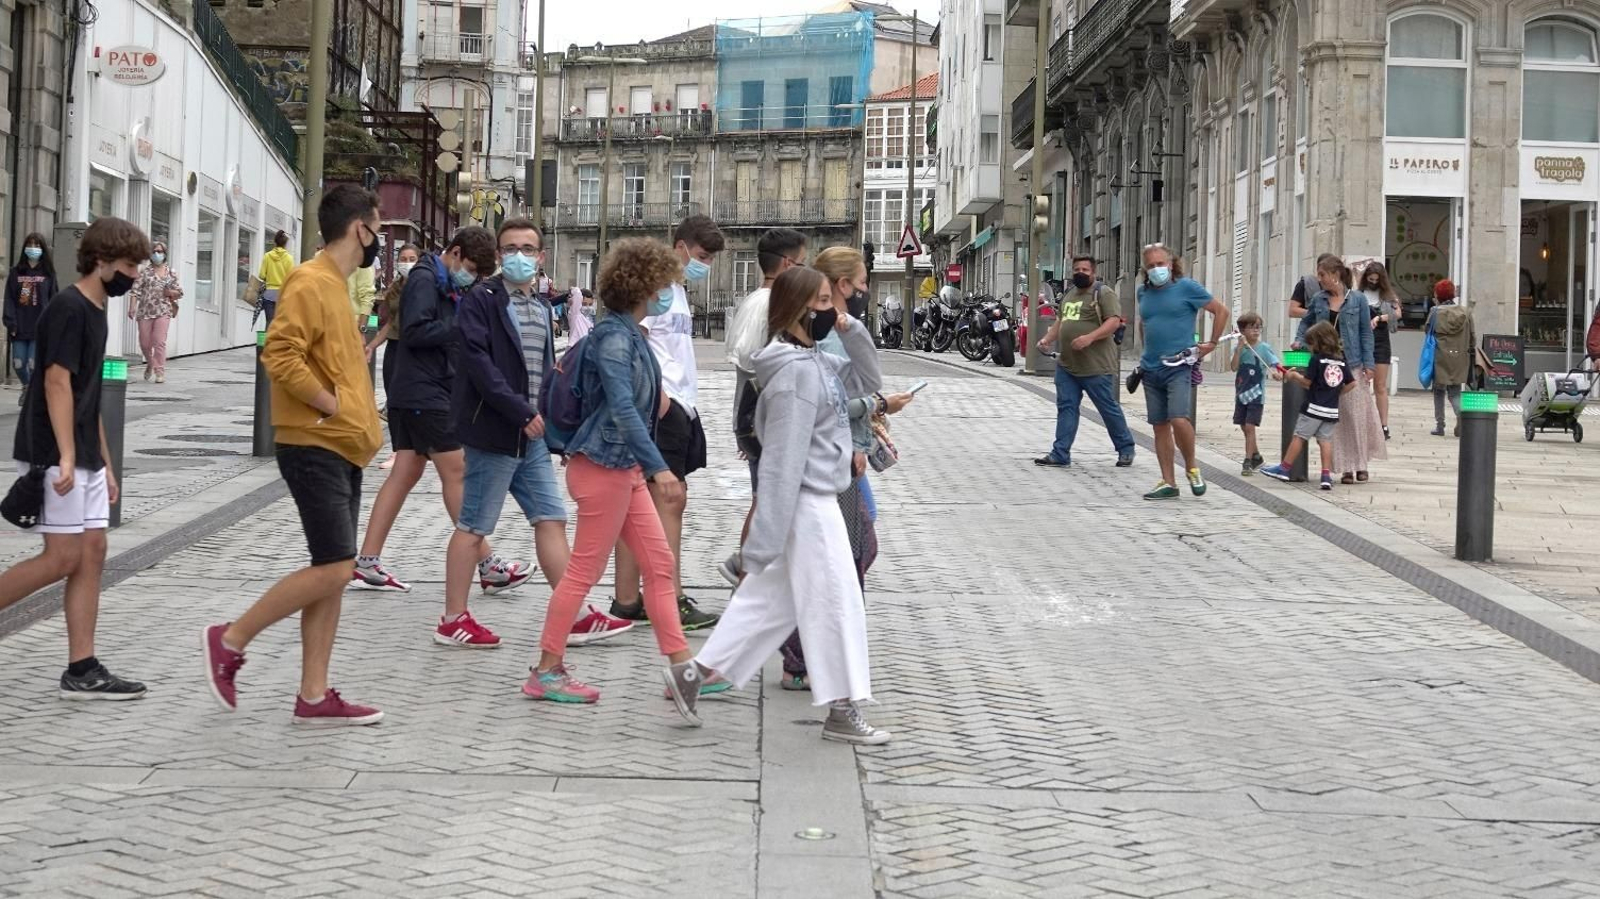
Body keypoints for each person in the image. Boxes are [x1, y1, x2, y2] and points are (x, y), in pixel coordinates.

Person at [202, 184, 387, 725]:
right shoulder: (310, 280)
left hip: (342, 444)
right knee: (336, 568)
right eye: (378, 229)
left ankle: (313, 694)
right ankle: (230, 639)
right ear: (361, 228)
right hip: (314, 443)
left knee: (332, 569)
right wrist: (329, 406)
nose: (379, 241)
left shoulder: (339, 285)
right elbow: (280, 354)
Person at [689, 265, 888, 743]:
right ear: (798, 308)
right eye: (823, 302)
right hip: (809, 504)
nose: (832, 309)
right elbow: (781, 460)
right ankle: (842, 710)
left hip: (813, 499)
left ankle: (690, 676)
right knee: (837, 605)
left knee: (768, 603)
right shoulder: (796, 373)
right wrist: (765, 536)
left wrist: (852, 328)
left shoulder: (812, 358)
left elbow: (868, 381)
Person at [528, 238, 699, 719]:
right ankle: (546, 671)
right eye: (664, 283)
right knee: (584, 571)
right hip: (604, 467)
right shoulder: (617, 338)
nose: (669, 291)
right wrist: (659, 467)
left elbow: (635, 406)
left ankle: (682, 666)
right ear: (645, 284)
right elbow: (623, 410)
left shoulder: (630, 334)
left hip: (618, 468)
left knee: (659, 567)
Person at [446, 218, 627, 649]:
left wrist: (556, 429)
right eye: (510, 248)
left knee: (551, 518)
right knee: (473, 526)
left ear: (541, 256)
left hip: (533, 435)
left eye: (528, 248)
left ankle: (576, 614)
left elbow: (547, 373)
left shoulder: (543, 308)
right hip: (495, 431)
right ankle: (453, 619)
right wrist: (519, 411)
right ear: (498, 255)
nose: (519, 256)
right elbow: (479, 365)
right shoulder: (482, 300)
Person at [0, 218, 149, 699]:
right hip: (52, 450)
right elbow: (56, 382)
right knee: (61, 557)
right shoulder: (68, 308)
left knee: (92, 553)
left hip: (80, 450)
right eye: (129, 264)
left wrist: (104, 463)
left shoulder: (97, 307)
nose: (134, 274)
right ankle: (80, 666)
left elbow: (87, 395)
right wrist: (66, 456)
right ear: (102, 260)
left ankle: (81, 667)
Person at [350, 227, 530, 598]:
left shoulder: (439, 279)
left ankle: (366, 561)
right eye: (472, 269)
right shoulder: (425, 278)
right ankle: (488, 563)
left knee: (405, 471)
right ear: (456, 252)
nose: (473, 278)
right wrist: (461, 326)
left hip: (415, 389)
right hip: (423, 392)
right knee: (457, 470)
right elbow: (415, 332)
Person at [775, 248, 912, 690]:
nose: (866, 290)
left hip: (838, 456)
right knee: (851, 553)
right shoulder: (824, 335)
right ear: (841, 285)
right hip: (834, 461)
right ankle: (809, 657)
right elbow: (840, 399)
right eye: (861, 281)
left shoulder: (838, 328)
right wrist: (872, 414)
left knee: (851, 552)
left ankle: (813, 654)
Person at [609, 214, 725, 631]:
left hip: (680, 403)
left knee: (642, 501)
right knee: (669, 499)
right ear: (680, 247)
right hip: (665, 404)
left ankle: (628, 599)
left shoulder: (676, 291)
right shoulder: (657, 290)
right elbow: (635, 336)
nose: (704, 264)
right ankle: (669, 598)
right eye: (701, 256)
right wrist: (657, 395)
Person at [721, 228, 808, 584]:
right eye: (802, 265)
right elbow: (759, 365)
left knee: (767, 497)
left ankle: (751, 572)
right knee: (767, 500)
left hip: (756, 417)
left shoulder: (754, 300)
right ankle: (746, 574)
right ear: (787, 264)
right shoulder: (771, 304)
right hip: (766, 418)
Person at [1135, 243, 1231, 500]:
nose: (1157, 269)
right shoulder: (1142, 292)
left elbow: (1221, 310)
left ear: (1171, 264)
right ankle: (1168, 481)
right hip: (1151, 367)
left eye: (1161, 264)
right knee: (1159, 425)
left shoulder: (1187, 287)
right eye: (1151, 265)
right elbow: (1145, 322)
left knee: (1179, 418)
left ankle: (1191, 466)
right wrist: (1146, 352)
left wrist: (1210, 344)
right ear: (1145, 268)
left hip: (1179, 365)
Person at [1033, 255, 1136, 468]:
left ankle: (1126, 448)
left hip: (1096, 366)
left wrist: (1089, 338)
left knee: (1107, 408)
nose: (1080, 273)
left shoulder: (1103, 293)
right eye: (1077, 269)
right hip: (1068, 366)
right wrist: (1047, 340)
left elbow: (1114, 322)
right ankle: (1060, 453)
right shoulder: (1070, 295)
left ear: (1094, 272)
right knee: (1066, 407)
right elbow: (1061, 321)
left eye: (1085, 270)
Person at [1296, 256, 1383, 483]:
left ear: (1334, 274)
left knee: (1357, 416)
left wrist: (1369, 364)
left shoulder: (1357, 300)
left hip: (1353, 363)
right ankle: (1346, 467)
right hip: (1328, 365)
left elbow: (1365, 332)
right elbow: (1305, 324)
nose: (1320, 279)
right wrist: (1299, 341)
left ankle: (1361, 464)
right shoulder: (1318, 299)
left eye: (1322, 275)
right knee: (1337, 418)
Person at [1261, 321, 1353, 491]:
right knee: (1325, 441)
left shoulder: (1316, 360)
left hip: (1313, 408)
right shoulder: (1341, 362)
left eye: (1310, 343)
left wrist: (1294, 376)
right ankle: (1326, 476)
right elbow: (1352, 383)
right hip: (1331, 410)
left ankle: (1284, 468)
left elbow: (1307, 382)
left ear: (1319, 342)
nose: (1309, 347)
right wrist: (1336, 392)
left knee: (1299, 436)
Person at [4, 233, 58, 402]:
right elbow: (9, 299)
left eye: (37, 245)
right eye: (30, 244)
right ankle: (27, 387)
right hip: (19, 326)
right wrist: (10, 322)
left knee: (34, 364)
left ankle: (33, 394)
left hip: (40, 326)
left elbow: (54, 300)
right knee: (19, 363)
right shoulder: (16, 273)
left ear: (42, 248)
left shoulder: (48, 273)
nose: (33, 248)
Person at [1229, 312, 1281, 475]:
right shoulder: (1241, 348)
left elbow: (1274, 362)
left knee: (1250, 426)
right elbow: (1234, 367)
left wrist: (1276, 372)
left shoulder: (1263, 348)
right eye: (1251, 327)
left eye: (1258, 327)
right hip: (1241, 393)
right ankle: (1256, 455)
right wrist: (1238, 348)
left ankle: (1248, 460)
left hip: (1256, 395)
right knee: (1244, 426)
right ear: (1242, 330)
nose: (1256, 330)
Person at [1426, 279, 1478, 437]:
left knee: (1438, 391)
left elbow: (1428, 331)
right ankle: (1460, 414)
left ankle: (1440, 426)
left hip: (1440, 356)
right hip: (1459, 357)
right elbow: (1473, 337)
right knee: (1455, 392)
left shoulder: (1435, 311)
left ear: (1438, 295)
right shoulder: (1466, 312)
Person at [128, 240, 182, 384]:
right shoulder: (145, 272)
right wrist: (132, 307)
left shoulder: (171, 272)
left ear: (165, 254)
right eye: (154, 251)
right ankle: (150, 363)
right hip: (145, 311)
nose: (157, 254)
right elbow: (135, 291)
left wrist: (170, 291)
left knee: (159, 341)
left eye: (160, 251)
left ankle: (159, 371)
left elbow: (179, 292)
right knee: (145, 343)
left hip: (163, 310)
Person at [1358, 261, 1401, 439]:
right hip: (1361, 341)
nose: (1373, 282)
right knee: (1361, 384)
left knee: (1380, 385)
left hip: (1381, 341)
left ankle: (1383, 425)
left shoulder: (1388, 295)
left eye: (1376, 279)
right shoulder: (1358, 294)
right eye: (1370, 279)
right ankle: (1363, 423)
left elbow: (1397, 314)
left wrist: (1380, 318)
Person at [1288, 253, 1341, 321]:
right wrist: (1316, 313)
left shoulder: (1340, 286)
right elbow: (1292, 311)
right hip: (1313, 328)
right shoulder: (1306, 284)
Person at [257, 230, 294, 325]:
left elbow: (261, 275)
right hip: (282, 294)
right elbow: (291, 278)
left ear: (275, 242)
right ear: (285, 244)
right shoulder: (289, 258)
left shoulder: (267, 256)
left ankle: (267, 339)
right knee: (280, 324)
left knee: (269, 322)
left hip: (269, 293)